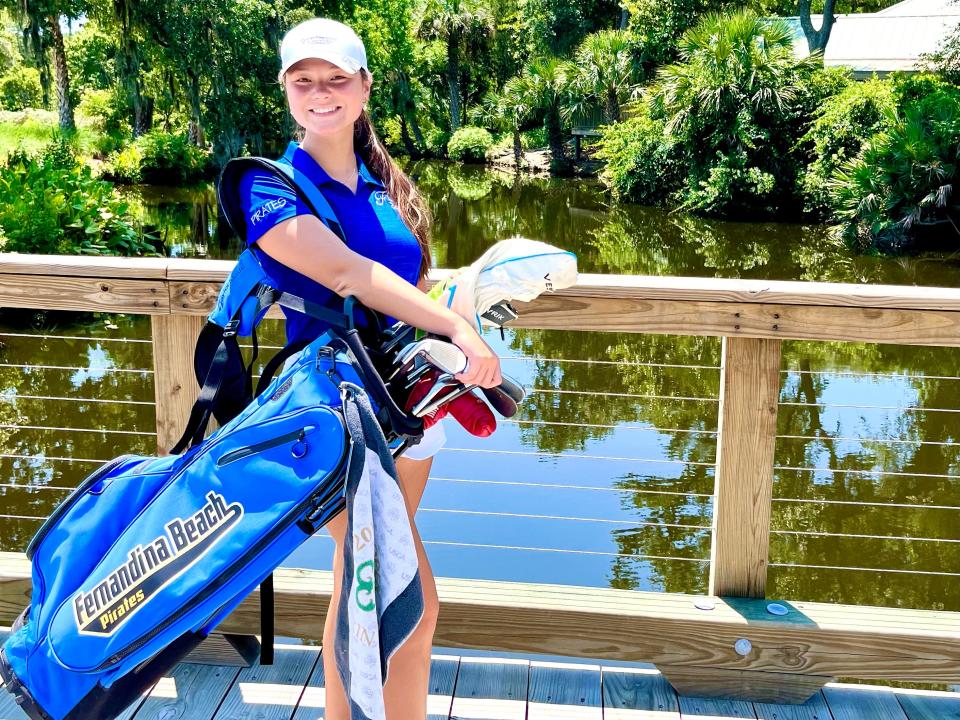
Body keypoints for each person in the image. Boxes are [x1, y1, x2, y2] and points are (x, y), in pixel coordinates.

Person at [237, 17, 501, 720]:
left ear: (364, 88)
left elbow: (408, 281)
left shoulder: (384, 185)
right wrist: (452, 326)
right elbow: (348, 273)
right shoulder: (270, 188)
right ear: (286, 90)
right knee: (407, 600)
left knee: (362, 587)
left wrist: (472, 291)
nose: (320, 93)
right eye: (304, 80)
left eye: (335, 79)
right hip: (331, 420)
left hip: (399, 410)